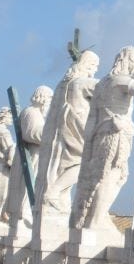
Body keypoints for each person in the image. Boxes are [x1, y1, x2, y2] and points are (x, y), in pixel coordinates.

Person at [72, 46, 134, 233]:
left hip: (100, 133)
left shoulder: (102, 83)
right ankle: (96, 219)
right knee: (113, 175)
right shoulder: (121, 80)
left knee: (105, 175)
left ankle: (95, 216)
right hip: (116, 133)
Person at [36, 50, 100, 219]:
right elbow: (105, 88)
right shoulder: (80, 82)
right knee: (85, 162)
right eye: (95, 66)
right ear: (88, 65)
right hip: (74, 128)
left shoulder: (63, 83)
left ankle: (56, 196)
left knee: (64, 166)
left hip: (60, 130)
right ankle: (53, 193)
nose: (96, 70)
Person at [6, 85, 53, 230]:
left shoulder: (38, 114)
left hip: (36, 156)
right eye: (50, 99)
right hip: (30, 157)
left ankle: (26, 217)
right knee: (25, 190)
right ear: (43, 98)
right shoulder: (31, 112)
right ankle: (22, 217)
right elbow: (30, 133)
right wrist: (52, 134)